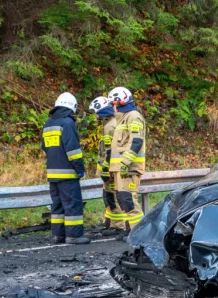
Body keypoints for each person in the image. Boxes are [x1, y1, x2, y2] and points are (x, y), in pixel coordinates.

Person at [42, 92, 90, 245]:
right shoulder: (68, 123)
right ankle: (74, 236)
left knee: (57, 205)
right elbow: (73, 151)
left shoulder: (48, 123)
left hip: (52, 173)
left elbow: (44, 148)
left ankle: (58, 235)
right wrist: (79, 168)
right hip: (68, 174)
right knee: (72, 204)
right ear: (72, 108)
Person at [107, 86, 147, 230]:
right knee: (123, 199)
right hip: (120, 168)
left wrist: (125, 163)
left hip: (129, 168)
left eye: (113, 103)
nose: (112, 107)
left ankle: (140, 232)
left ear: (120, 102)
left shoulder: (133, 116)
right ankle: (129, 229)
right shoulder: (122, 120)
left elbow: (136, 141)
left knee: (129, 199)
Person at [88, 95, 123, 233]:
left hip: (109, 169)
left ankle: (118, 225)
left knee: (112, 196)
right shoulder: (111, 123)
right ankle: (109, 222)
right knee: (108, 195)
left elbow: (109, 151)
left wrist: (105, 170)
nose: (96, 116)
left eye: (97, 113)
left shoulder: (110, 126)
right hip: (110, 168)